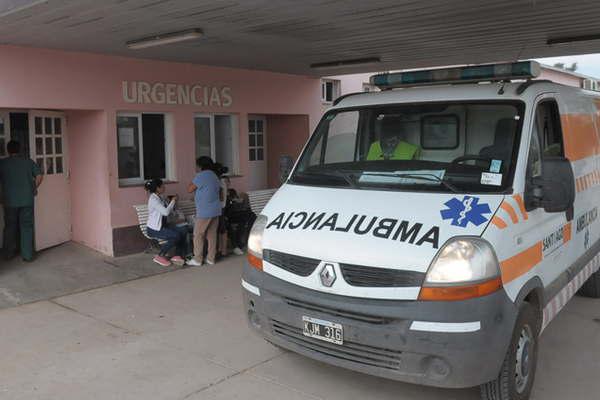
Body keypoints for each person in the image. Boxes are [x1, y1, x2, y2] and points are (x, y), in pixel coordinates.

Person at [0, 140, 43, 262]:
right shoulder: (28, 162)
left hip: (9, 201)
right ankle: (27, 255)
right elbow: (40, 176)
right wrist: (33, 188)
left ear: (8, 150)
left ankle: (8, 254)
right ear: (19, 150)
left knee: (10, 227)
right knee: (27, 226)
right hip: (26, 200)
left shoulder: (3, 163)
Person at [144, 178, 187, 267]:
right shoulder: (153, 200)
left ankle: (177, 255)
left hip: (163, 226)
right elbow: (166, 212)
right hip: (154, 229)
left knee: (183, 230)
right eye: (162, 186)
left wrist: (171, 202)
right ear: (157, 188)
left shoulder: (160, 197)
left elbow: (169, 210)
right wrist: (173, 201)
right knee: (175, 235)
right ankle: (160, 255)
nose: (164, 187)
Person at [187, 156, 221, 266]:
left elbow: (189, 189)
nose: (195, 167)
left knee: (198, 234)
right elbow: (212, 191)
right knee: (211, 235)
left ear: (201, 166)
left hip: (205, 211)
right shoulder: (214, 175)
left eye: (196, 165)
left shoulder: (201, 175)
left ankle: (197, 259)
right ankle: (211, 258)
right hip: (215, 209)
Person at [225, 188, 256, 255]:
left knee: (245, 220)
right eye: (224, 182)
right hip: (227, 217)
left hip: (235, 215)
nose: (225, 184)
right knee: (249, 217)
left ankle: (242, 243)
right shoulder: (222, 194)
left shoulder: (232, 191)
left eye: (227, 182)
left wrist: (236, 200)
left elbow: (236, 205)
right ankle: (239, 244)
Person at [213, 163, 230, 258]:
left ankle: (222, 250)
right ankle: (222, 249)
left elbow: (221, 197)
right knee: (221, 229)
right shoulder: (222, 181)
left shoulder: (219, 182)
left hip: (219, 208)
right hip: (221, 208)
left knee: (221, 229)